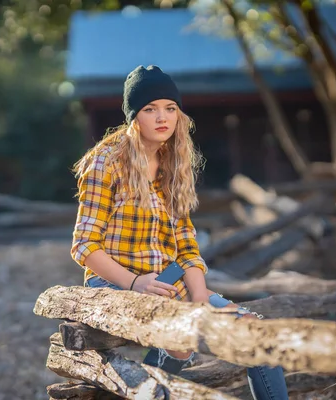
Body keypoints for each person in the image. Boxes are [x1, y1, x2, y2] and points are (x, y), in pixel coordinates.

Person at [70, 65, 289, 400]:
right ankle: (149, 390)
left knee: (256, 333)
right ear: (134, 118)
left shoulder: (174, 162)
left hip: (166, 279)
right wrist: (135, 282)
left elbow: (187, 247)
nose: (162, 118)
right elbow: (84, 245)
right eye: (150, 109)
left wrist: (200, 300)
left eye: (170, 108)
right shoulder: (106, 162)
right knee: (181, 338)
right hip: (116, 280)